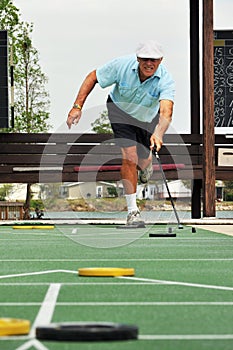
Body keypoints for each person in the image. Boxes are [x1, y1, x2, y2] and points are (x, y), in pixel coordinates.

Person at [67, 40, 175, 226]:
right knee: (129, 157)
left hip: (147, 118)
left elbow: (166, 111)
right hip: (120, 111)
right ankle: (133, 212)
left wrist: (158, 133)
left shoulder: (166, 80)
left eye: (154, 60)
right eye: (145, 59)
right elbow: (93, 77)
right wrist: (77, 106)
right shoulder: (121, 66)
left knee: (142, 160)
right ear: (138, 58)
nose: (149, 64)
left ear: (161, 60)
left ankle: (146, 163)